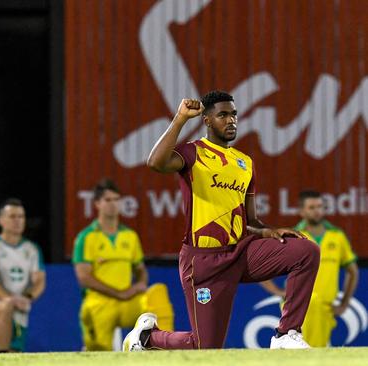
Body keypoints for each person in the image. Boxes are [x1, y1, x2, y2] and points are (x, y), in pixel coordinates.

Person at [122, 91, 320, 351]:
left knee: (305, 251)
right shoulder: (193, 154)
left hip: (241, 252)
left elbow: (250, 219)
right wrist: (180, 119)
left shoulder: (244, 163)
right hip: (203, 261)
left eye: (234, 114)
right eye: (223, 115)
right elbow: (155, 162)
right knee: (206, 347)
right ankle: (147, 338)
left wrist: (269, 231)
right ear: (206, 120)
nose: (231, 121)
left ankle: (286, 333)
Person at [73, 179, 174, 351]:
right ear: (97, 203)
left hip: (127, 301)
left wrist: (140, 284)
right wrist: (118, 293)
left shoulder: (130, 236)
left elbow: (140, 269)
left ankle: (163, 350)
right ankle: (92, 349)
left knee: (157, 295)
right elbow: (84, 278)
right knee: (99, 352)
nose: (113, 204)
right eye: (108, 200)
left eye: (116, 199)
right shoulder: (86, 237)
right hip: (99, 303)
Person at [259, 190, 359, 347]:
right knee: (301, 351)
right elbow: (261, 267)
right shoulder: (292, 237)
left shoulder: (337, 236)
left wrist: (345, 303)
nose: (317, 210)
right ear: (301, 211)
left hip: (325, 308)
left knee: (313, 352)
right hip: (297, 305)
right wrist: (279, 292)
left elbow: (352, 271)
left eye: (320, 206)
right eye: (312, 207)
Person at [0, 198, 46, 352]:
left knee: (16, 352)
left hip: (21, 307)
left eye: (21, 217)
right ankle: (1, 354)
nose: (18, 221)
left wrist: (28, 298)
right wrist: (10, 299)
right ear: (0, 220)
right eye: (12, 217)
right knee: (6, 306)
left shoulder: (32, 249)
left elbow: (40, 281)